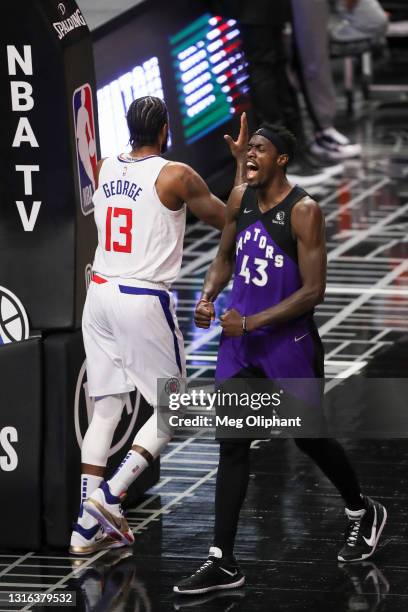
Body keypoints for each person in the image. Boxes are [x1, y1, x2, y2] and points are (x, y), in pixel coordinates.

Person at [174, 123, 387, 594]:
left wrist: (252, 322)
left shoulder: (304, 211)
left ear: (282, 160)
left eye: (259, 149)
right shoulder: (239, 199)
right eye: (249, 149)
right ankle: (222, 559)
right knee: (231, 444)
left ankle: (361, 508)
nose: (250, 154)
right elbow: (223, 256)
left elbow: (315, 291)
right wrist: (209, 296)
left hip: (287, 346)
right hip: (240, 344)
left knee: (308, 438)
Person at [69, 96, 246, 555]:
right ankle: (110, 496)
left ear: (129, 128)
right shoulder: (175, 174)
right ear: (165, 129)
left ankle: (83, 530)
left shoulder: (106, 165)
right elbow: (227, 219)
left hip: (100, 292)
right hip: (141, 296)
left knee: (106, 408)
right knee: (174, 409)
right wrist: (244, 169)